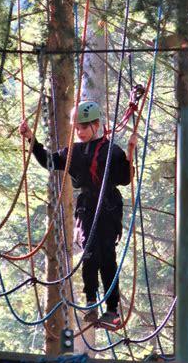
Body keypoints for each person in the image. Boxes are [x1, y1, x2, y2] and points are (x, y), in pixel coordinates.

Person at [19, 100, 137, 328]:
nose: (79, 132)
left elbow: (125, 178)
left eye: (83, 127)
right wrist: (31, 139)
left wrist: (131, 153)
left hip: (108, 206)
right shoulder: (72, 152)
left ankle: (112, 310)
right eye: (77, 128)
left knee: (107, 256)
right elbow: (50, 161)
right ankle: (92, 302)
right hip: (87, 207)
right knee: (90, 255)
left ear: (96, 125)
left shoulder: (111, 150)